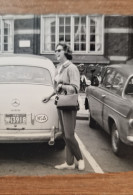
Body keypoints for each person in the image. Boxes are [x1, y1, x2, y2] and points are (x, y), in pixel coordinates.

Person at [42, 42, 85, 171]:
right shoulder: (59, 67)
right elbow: (57, 87)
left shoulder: (72, 68)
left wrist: (62, 86)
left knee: (70, 135)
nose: (57, 53)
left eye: (59, 50)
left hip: (69, 104)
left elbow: (75, 88)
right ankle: (69, 163)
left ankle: (80, 159)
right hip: (60, 102)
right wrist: (50, 96)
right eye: (55, 51)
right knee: (65, 134)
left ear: (66, 52)